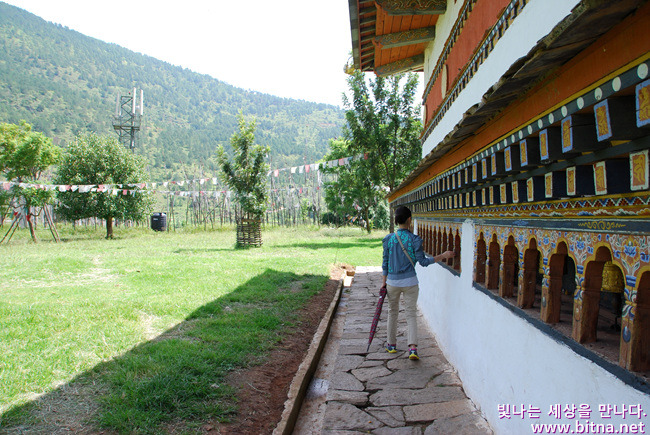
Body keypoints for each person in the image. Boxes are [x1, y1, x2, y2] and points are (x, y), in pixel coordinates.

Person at [381, 206, 454, 360]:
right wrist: (443, 255)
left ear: (396, 220)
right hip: (410, 282)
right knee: (411, 314)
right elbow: (423, 262)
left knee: (392, 312)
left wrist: (384, 283)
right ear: (409, 219)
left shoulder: (389, 239)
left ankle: (391, 345)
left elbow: (385, 263)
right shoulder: (415, 240)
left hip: (392, 282)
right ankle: (413, 348)